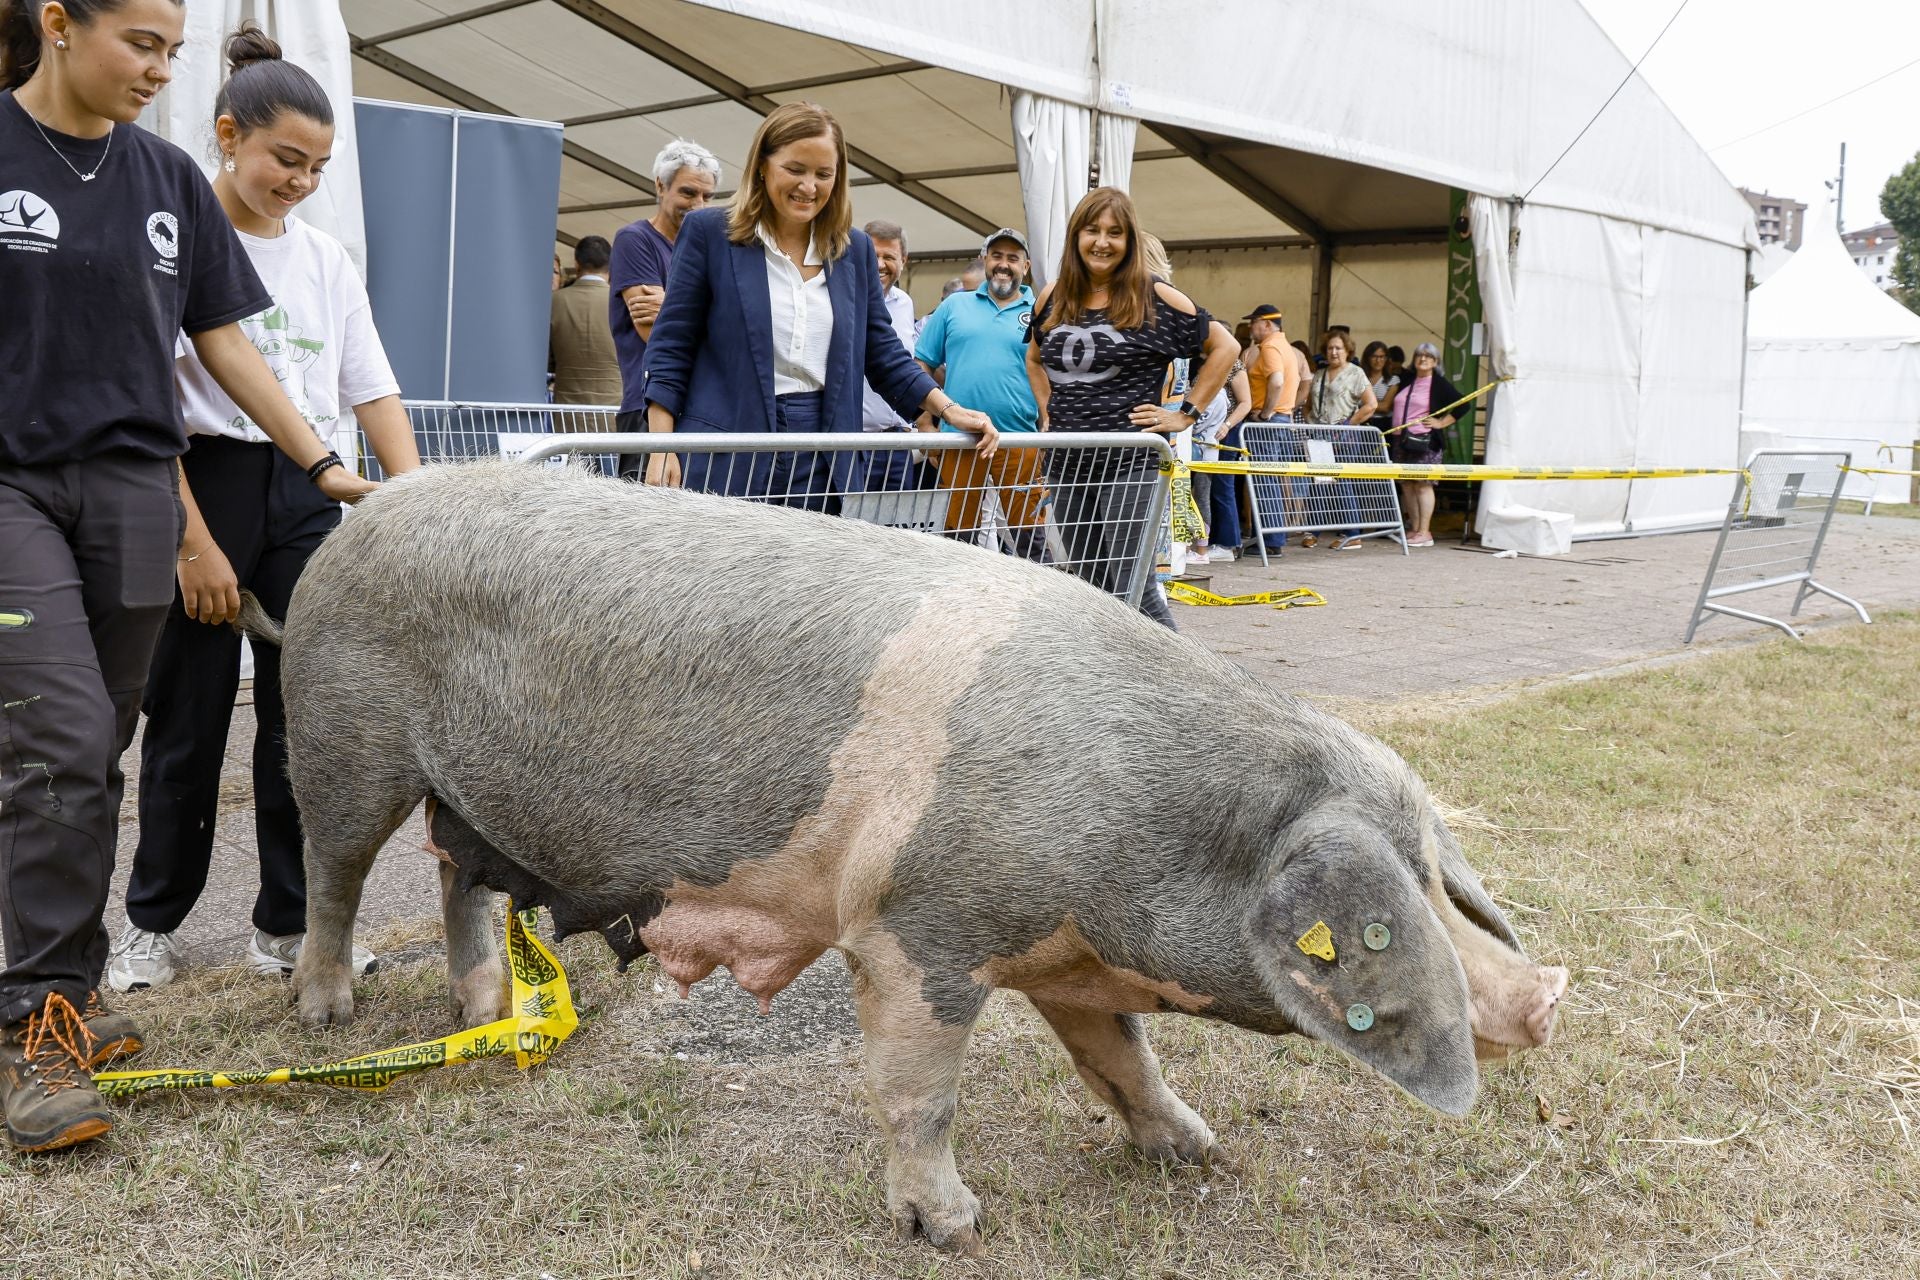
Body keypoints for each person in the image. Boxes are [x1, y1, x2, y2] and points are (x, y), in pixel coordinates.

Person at [0, 0, 375, 1152]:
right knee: (57, 738)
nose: (160, 70)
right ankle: (37, 1020)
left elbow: (224, 343)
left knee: (92, 750)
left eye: (174, 51)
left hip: (133, 488)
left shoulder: (164, 178)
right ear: (58, 23)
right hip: (11, 483)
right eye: (142, 44)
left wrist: (322, 461)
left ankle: (68, 976)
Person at [107, 21, 420, 996]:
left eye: (318, 166)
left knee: (306, 718)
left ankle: (290, 921)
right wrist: (190, 536)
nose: (299, 180)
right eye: (286, 158)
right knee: (188, 718)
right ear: (227, 133)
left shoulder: (324, 259)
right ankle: (150, 923)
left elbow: (371, 386)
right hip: (197, 479)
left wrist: (407, 497)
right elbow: (150, 397)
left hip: (305, 489)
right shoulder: (167, 238)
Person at [639, 101, 996, 506]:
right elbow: (670, 347)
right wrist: (661, 444)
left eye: (823, 174)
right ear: (762, 165)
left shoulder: (855, 250)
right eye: (795, 170)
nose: (809, 187)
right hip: (728, 446)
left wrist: (948, 409)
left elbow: (883, 355)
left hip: (823, 455)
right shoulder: (710, 233)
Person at [1025, 187, 1235, 629]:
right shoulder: (1053, 296)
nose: (1102, 242)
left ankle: (1187, 687)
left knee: (1134, 588)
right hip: (1065, 463)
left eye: (1115, 233)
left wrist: (1185, 414)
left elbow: (1226, 347)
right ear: (1076, 237)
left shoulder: (1154, 297)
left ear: (1130, 242)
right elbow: (1034, 357)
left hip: (1128, 464)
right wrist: (1047, 412)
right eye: (1092, 230)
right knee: (1089, 586)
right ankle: (1117, 690)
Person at [916, 228, 1045, 556]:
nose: (1004, 265)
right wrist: (925, 423)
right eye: (997, 256)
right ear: (985, 260)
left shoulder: (1042, 310)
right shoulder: (954, 306)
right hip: (960, 439)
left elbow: (1052, 373)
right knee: (960, 538)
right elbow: (921, 365)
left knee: (1030, 535)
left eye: (1013, 258)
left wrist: (1048, 428)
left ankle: (1036, 603)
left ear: (1026, 266)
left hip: (1020, 439)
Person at [609, 138, 719, 475]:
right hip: (647, 407)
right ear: (661, 186)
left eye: (707, 196)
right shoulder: (636, 240)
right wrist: (713, 313)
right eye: (688, 193)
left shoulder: (709, 249)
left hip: (698, 411)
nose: (698, 205)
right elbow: (653, 333)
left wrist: (673, 307)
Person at [855, 218, 918, 491]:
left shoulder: (905, 304)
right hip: (857, 443)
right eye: (873, 255)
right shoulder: (846, 299)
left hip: (898, 443)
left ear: (904, 260)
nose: (880, 264)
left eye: (889, 257)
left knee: (895, 527)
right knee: (851, 527)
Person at [1302, 330, 1378, 551]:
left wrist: (1348, 423)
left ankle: (1353, 534)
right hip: (1318, 437)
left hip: (1343, 438)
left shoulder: (1356, 373)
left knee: (1343, 485)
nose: (1333, 352)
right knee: (1317, 486)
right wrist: (1311, 424)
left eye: (1338, 348)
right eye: (1330, 348)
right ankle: (1312, 531)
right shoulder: (1320, 373)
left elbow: (1370, 405)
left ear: (1347, 351)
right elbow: (1308, 404)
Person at [1389, 341, 1462, 547]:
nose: (1423, 359)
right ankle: (1415, 529)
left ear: (1435, 362)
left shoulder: (1438, 383)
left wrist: (1440, 423)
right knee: (1407, 485)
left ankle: (1425, 531)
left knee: (1423, 484)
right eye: (1419, 355)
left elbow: (1462, 405)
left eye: (1428, 356)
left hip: (1424, 442)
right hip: (1402, 441)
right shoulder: (1408, 379)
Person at [548, 235, 621, 405]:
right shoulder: (621, 302)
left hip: (568, 407)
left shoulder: (554, 302)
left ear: (576, 264)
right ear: (610, 266)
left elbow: (547, 359)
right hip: (614, 405)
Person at [1360, 340, 1399, 430]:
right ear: (1367, 358)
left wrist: (1363, 403)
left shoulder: (1393, 380)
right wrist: (1375, 404)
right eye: (1374, 356)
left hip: (1382, 424)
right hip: (1361, 422)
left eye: (1382, 357)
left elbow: (1385, 407)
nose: (1378, 360)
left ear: (1386, 359)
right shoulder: (1360, 378)